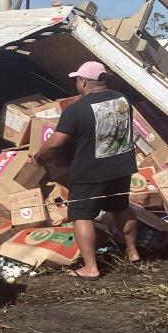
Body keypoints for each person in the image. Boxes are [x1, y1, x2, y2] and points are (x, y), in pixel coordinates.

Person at [35, 61, 140, 279]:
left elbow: (55, 143)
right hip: (122, 166)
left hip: (90, 171)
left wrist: (39, 157)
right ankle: (133, 252)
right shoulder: (122, 99)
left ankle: (91, 267)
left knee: (81, 215)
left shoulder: (76, 110)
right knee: (120, 207)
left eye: (77, 80)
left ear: (83, 81)